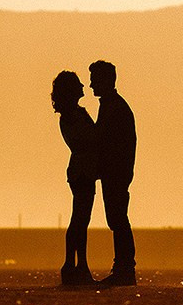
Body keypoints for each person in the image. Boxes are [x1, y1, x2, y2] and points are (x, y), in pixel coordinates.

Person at [89, 60, 136, 286]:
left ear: (105, 81)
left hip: (116, 172)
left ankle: (125, 270)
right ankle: (123, 269)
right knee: (117, 219)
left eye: (94, 80)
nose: (90, 85)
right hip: (114, 172)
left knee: (118, 220)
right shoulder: (110, 105)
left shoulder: (115, 107)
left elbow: (108, 141)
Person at [51, 71, 96, 285]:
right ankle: (74, 265)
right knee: (79, 218)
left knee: (81, 219)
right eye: (78, 84)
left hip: (82, 169)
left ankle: (77, 265)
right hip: (82, 170)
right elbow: (86, 139)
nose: (83, 87)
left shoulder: (74, 114)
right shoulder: (71, 116)